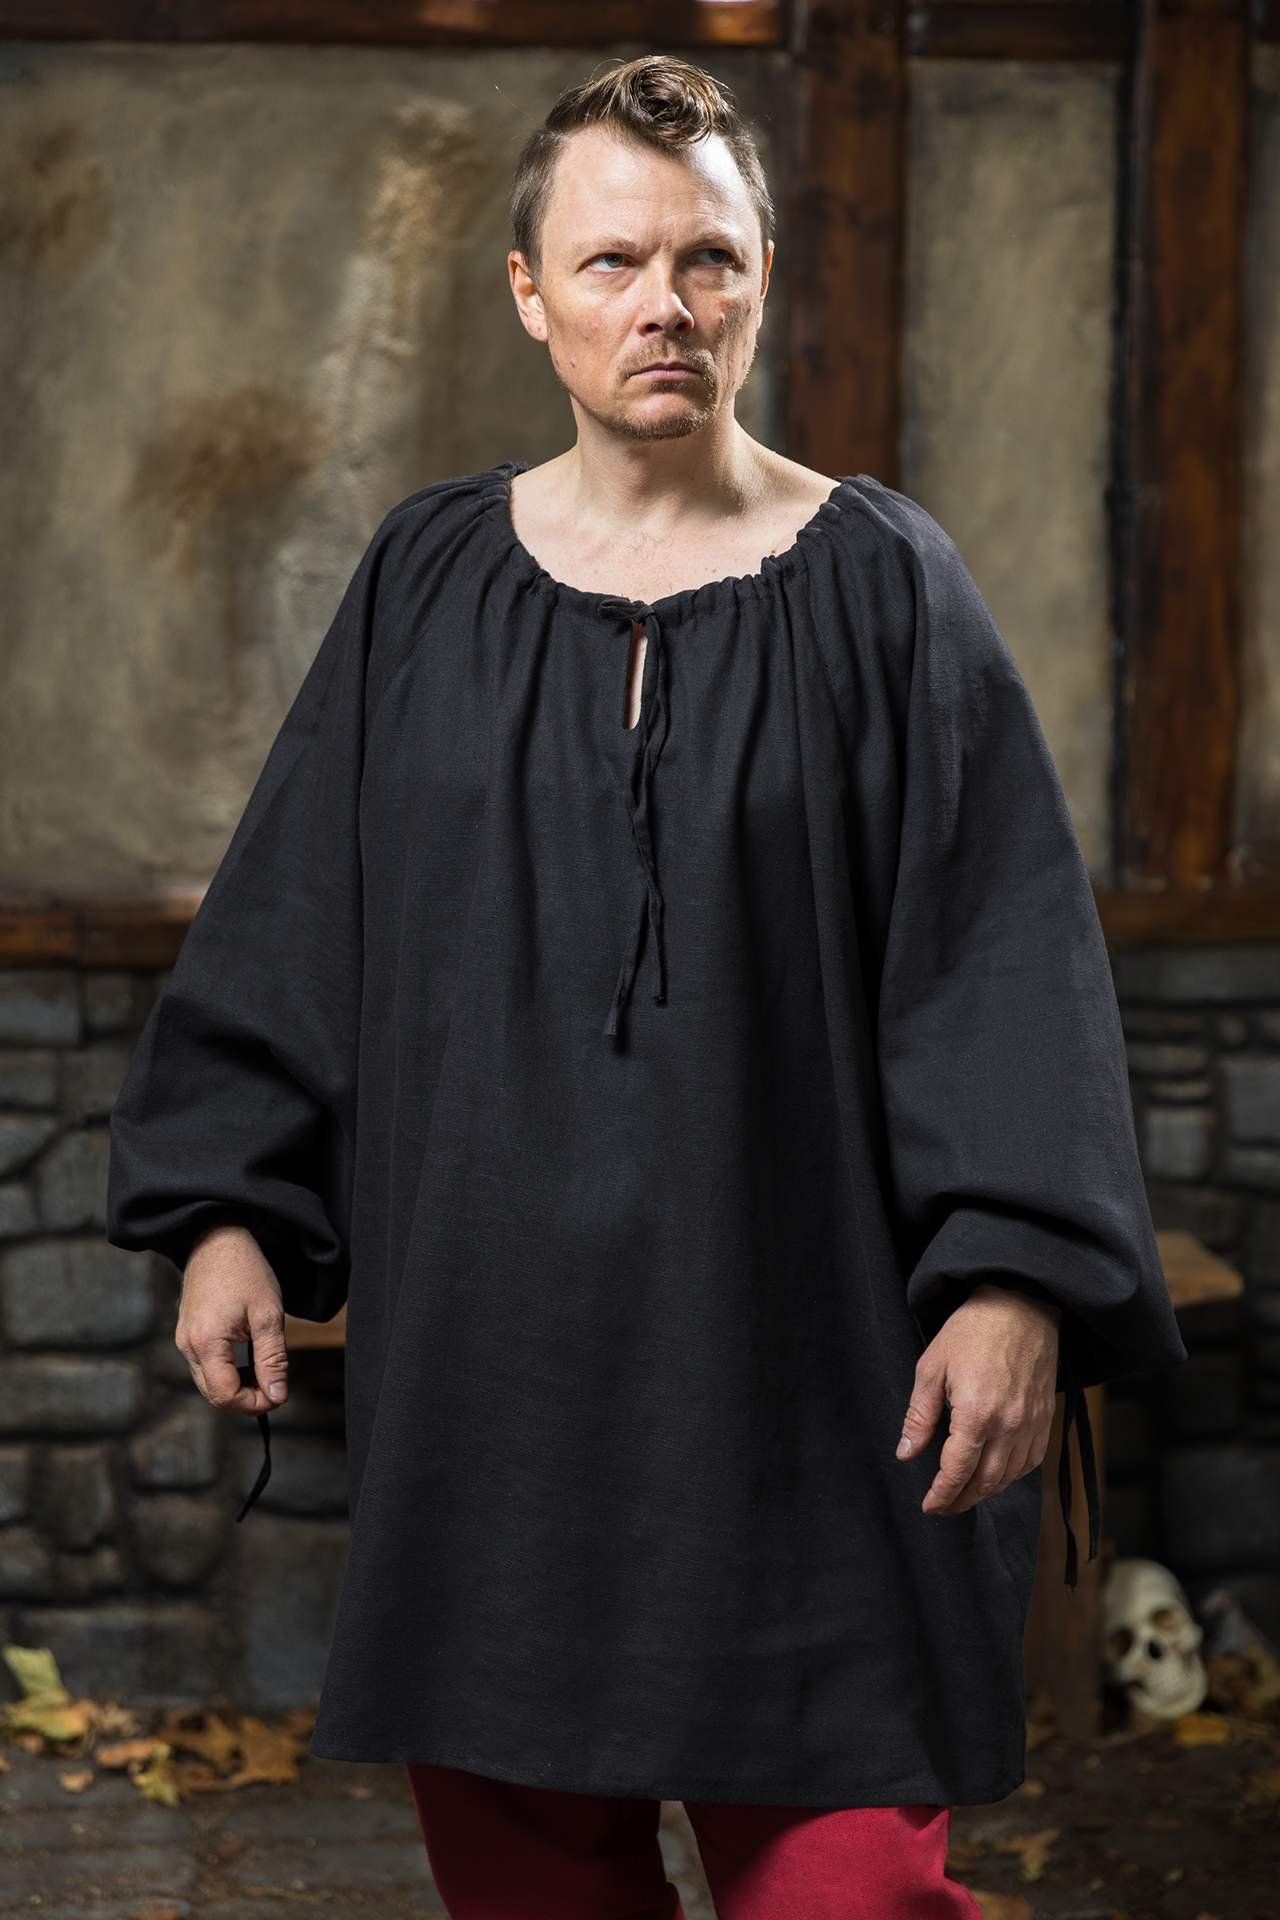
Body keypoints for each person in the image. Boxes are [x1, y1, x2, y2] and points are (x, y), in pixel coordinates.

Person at [106, 52, 1188, 1919]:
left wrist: (1016, 1277)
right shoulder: (426, 579)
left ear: (765, 281)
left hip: (823, 1392)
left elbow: (999, 960)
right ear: (531, 294)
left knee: (847, 1900)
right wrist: (227, 1211)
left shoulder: (885, 587)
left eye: (707, 259)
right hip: (495, 1397)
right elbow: (297, 921)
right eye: (612, 262)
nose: (663, 304)